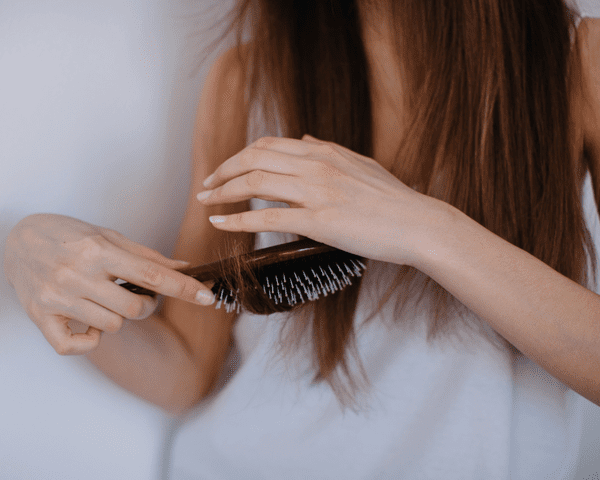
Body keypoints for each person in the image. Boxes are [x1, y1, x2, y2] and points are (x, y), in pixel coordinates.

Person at [4, 0, 600, 478]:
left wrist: (422, 227)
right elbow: (186, 370)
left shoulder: (581, 63)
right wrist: (30, 256)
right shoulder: (248, 77)